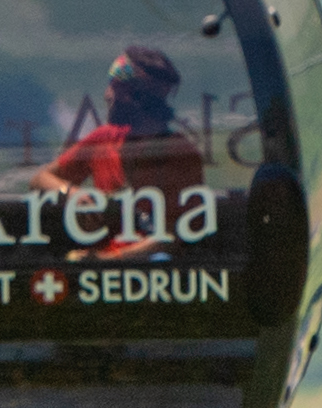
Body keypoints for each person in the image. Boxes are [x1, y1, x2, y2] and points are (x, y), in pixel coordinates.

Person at [40, 44, 212, 257]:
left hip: (152, 270)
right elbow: (40, 179)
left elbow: (172, 237)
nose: (107, 95)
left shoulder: (180, 154)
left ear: (139, 97)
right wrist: (73, 193)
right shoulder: (103, 140)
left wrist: (108, 260)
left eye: (115, 88)